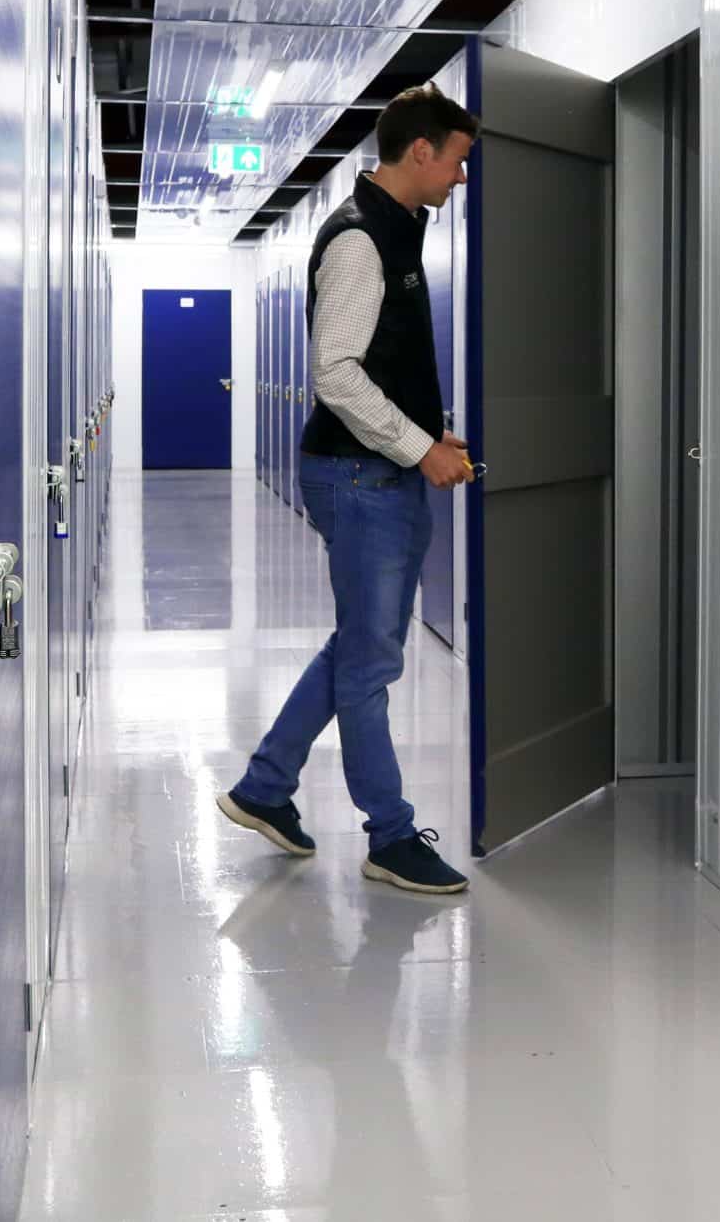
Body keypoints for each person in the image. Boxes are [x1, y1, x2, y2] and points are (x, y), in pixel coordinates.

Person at [218, 85, 479, 895]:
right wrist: (416, 445)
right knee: (370, 664)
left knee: (360, 648)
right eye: (458, 160)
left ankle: (266, 786)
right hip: (361, 475)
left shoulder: (397, 230)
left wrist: (429, 439)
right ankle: (389, 835)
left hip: (380, 470)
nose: (461, 179)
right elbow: (334, 374)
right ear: (421, 151)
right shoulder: (361, 241)